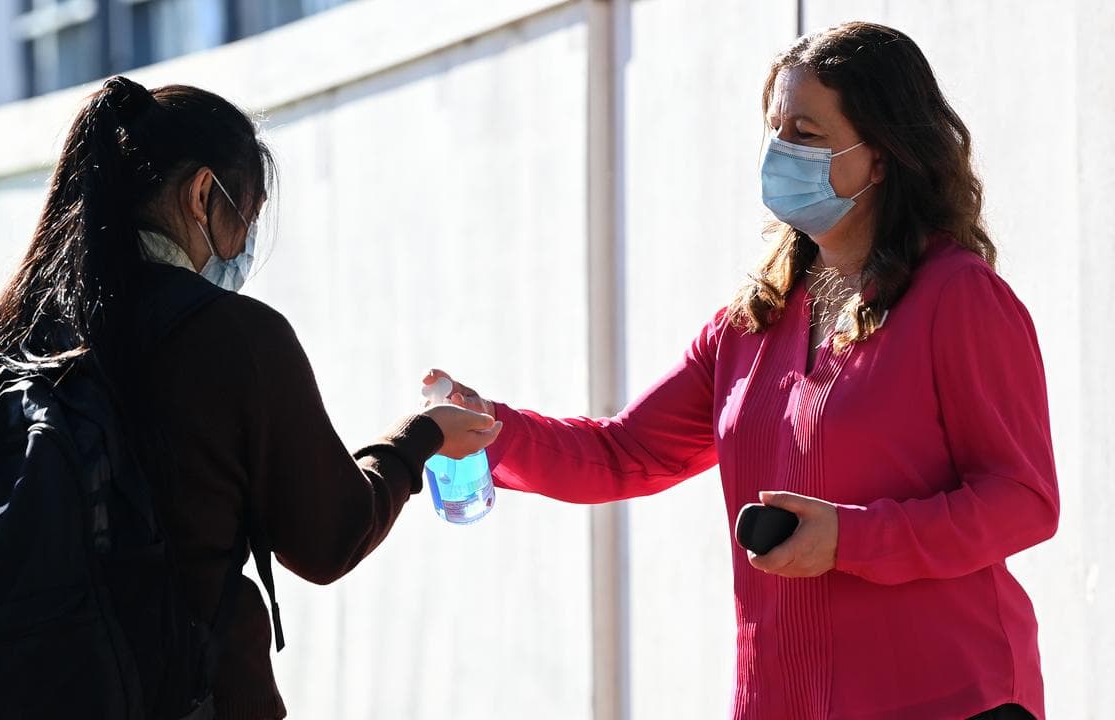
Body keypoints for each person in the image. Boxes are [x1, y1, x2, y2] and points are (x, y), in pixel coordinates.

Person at [427, 22, 1057, 720]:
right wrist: (490, 429)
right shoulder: (752, 322)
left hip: (950, 699)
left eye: (808, 133)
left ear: (881, 157)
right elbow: (623, 454)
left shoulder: (958, 296)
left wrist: (852, 539)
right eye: (776, 129)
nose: (782, 151)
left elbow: (1022, 500)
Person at [0, 76, 501, 719]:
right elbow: (327, 539)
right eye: (248, 220)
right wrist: (420, 439)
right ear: (204, 194)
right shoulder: (229, 335)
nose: (243, 250)